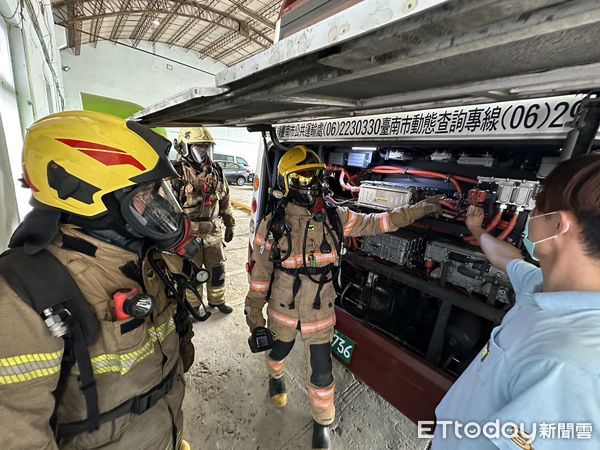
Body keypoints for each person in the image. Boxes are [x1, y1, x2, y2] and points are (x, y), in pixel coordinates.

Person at [0, 111, 199, 449]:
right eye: (145, 193)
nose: (157, 204)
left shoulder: (147, 259)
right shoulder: (25, 293)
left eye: (156, 191)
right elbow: (18, 434)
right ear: (89, 196)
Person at [244, 145, 443, 449]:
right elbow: (259, 277)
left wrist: (421, 208)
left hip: (319, 312)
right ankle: (276, 377)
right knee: (277, 352)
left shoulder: (337, 218)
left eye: (314, 178)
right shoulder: (271, 225)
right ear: (286, 183)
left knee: (322, 373)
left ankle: (323, 420)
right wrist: (254, 317)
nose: (310, 185)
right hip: (282, 310)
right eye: (302, 179)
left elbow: (381, 223)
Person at [432, 154, 600, 449]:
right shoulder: (544, 288)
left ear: (558, 225)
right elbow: (509, 259)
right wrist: (477, 231)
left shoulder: (568, 365)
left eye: (537, 209)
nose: (530, 216)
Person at [172, 127, 235, 315]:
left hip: (213, 233)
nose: (206, 156)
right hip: (189, 235)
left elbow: (225, 200)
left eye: (208, 150)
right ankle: (194, 306)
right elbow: (168, 211)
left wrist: (230, 223)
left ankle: (217, 301)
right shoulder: (175, 176)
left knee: (218, 271)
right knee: (192, 274)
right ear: (184, 149)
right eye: (200, 150)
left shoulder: (217, 173)